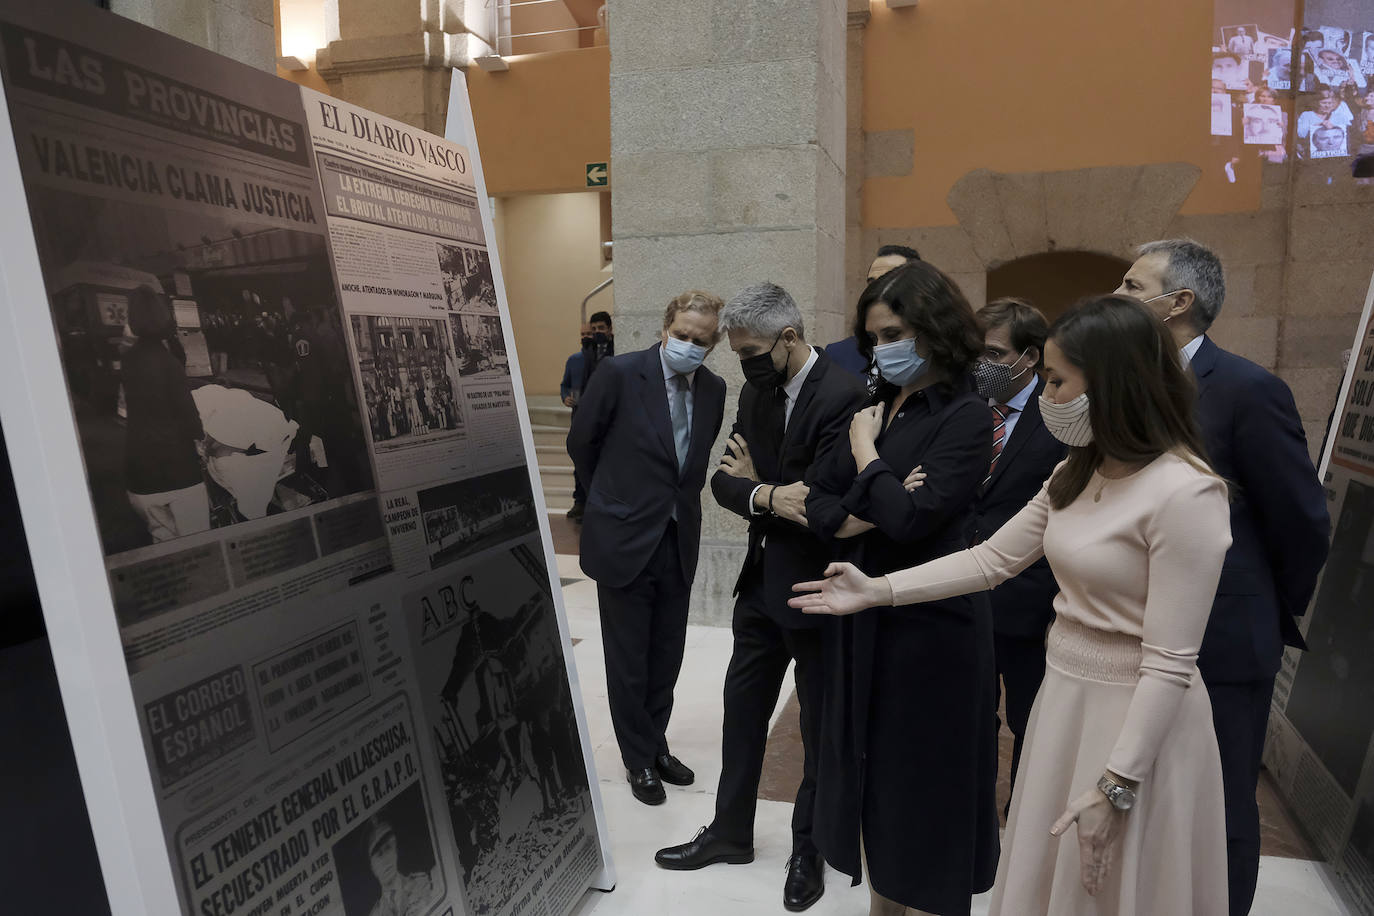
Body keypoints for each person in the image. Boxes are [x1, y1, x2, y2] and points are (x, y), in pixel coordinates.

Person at [793, 294, 1234, 916]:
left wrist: (1117, 785)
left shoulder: (1187, 492)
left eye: (1056, 380)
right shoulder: (1073, 473)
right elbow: (990, 561)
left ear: (1113, 381)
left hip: (1136, 723)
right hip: (1065, 699)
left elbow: (1170, 661)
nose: (1045, 396)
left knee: (1111, 888)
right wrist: (878, 591)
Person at [1115, 239, 1330, 916]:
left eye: (1130, 285)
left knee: (1222, 801)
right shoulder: (1121, 389)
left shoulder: (1248, 390)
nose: (1117, 297)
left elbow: (1300, 521)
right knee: (1142, 792)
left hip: (1225, 643)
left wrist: (1258, 606)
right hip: (1129, 634)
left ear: (1178, 303)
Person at [653, 284, 866, 912]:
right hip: (759, 586)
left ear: (790, 337)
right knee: (741, 714)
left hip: (817, 585)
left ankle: (810, 848)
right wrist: (771, 495)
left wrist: (761, 489)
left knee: (818, 727)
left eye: (750, 351)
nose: (742, 362)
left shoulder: (845, 395)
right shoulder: (756, 390)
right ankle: (729, 832)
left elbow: (827, 499)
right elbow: (723, 480)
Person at [804, 260, 998, 916]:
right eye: (874, 339)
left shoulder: (967, 415)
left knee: (927, 790)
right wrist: (881, 489)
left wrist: (866, 455)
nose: (882, 350)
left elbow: (914, 522)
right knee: (875, 786)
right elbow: (819, 506)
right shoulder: (878, 405)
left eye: (894, 334)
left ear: (934, 328)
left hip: (932, 630)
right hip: (862, 620)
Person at [567, 291, 727, 806]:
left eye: (700, 341)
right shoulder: (619, 374)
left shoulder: (715, 389)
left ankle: (655, 743)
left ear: (714, 343)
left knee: (667, 654)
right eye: (681, 335)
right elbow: (582, 443)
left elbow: (691, 465)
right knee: (628, 658)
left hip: (677, 537)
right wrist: (610, 502)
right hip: (623, 537)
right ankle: (637, 759)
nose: (688, 345)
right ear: (665, 327)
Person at [969, 298, 1066, 807]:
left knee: (1032, 720)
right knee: (969, 716)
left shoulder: (1060, 413)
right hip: (965, 593)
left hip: (1033, 604)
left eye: (991, 353)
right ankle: (973, 818)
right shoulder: (964, 405)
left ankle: (1024, 814)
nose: (979, 365)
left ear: (1029, 356)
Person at [122, 285, 210, 543]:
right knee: (199, 545)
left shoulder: (128, 361)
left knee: (164, 543)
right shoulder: (169, 364)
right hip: (178, 471)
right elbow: (190, 419)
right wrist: (200, 440)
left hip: (139, 474)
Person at [824, 245, 920, 379]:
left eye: (890, 281)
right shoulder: (839, 354)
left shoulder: (935, 358)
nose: (878, 291)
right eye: (872, 284)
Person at [363, 817, 434, 916]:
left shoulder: (422, 883)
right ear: (372, 867)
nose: (386, 859)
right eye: (379, 854)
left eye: (388, 848)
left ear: (396, 850)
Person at [561, 325, 591, 519]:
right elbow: (565, 385)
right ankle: (579, 502)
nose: (586, 337)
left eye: (589, 334)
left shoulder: (603, 361)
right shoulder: (574, 360)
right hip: (578, 417)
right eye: (583, 334)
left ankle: (591, 504)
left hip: (597, 418)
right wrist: (565, 398)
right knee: (578, 461)